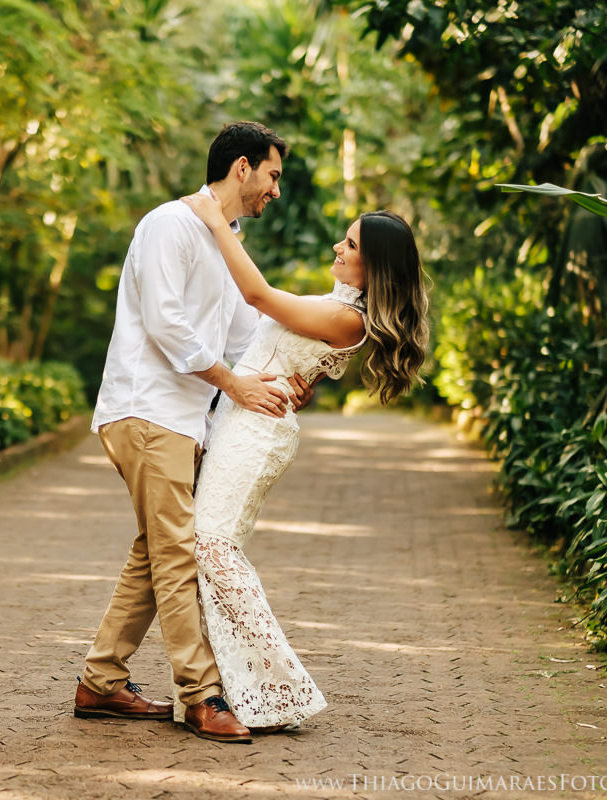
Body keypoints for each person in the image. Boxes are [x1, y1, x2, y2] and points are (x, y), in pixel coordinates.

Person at [76, 121, 312, 745]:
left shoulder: (224, 240)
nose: (275, 191)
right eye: (272, 176)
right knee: (178, 551)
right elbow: (165, 322)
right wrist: (233, 386)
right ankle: (201, 694)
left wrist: (284, 380)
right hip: (145, 409)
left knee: (155, 549)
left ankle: (100, 682)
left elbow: (243, 339)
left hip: (184, 418)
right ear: (242, 168)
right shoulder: (169, 224)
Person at [178, 190, 430, 732]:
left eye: (352, 243)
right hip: (242, 418)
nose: (338, 246)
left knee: (214, 548)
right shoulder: (337, 308)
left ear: (374, 265)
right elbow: (295, 355)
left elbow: (257, 294)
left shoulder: (347, 318)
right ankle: (230, 686)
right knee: (205, 550)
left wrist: (215, 220)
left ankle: (276, 688)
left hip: (255, 431)